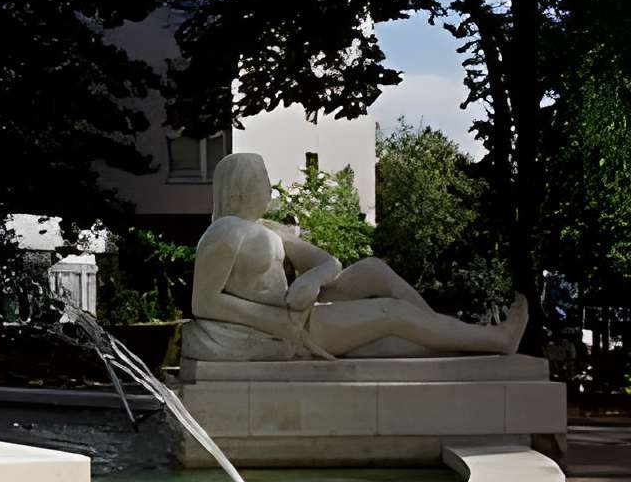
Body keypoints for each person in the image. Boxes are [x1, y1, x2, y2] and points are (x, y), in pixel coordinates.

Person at [181, 151, 529, 360]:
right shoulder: (224, 234)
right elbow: (204, 303)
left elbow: (328, 262)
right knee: (391, 317)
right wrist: (277, 322)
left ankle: (446, 334)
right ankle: (496, 339)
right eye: (263, 180)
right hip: (290, 325)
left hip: (300, 310)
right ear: (240, 190)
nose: (270, 188)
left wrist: (310, 281)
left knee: (375, 270)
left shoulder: (269, 229)